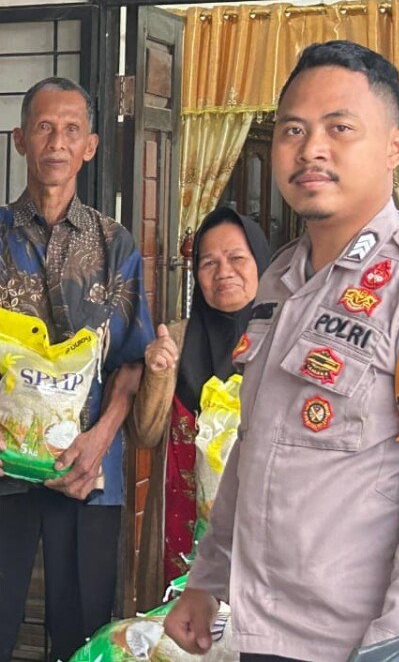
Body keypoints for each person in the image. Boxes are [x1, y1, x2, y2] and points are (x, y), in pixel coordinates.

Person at [163, 40, 399, 661]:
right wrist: (207, 580)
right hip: (262, 630)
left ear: (395, 146)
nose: (311, 148)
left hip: (357, 642)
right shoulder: (281, 279)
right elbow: (254, 447)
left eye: (340, 128)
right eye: (294, 129)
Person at [0, 76, 153, 662]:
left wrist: (101, 439)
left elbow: (130, 360)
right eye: (44, 127)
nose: (57, 142)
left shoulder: (115, 244)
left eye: (72, 130)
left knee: (84, 633)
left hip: (85, 470)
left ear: (90, 146)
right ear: (20, 139)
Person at [127, 206, 270, 604]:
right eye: (209, 263)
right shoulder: (175, 339)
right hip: (178, 531)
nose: (223, 272)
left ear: (261, 264)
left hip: (261, 536)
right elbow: (144, 434)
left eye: (237, 258)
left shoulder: (283, 341)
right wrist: (157, 372)